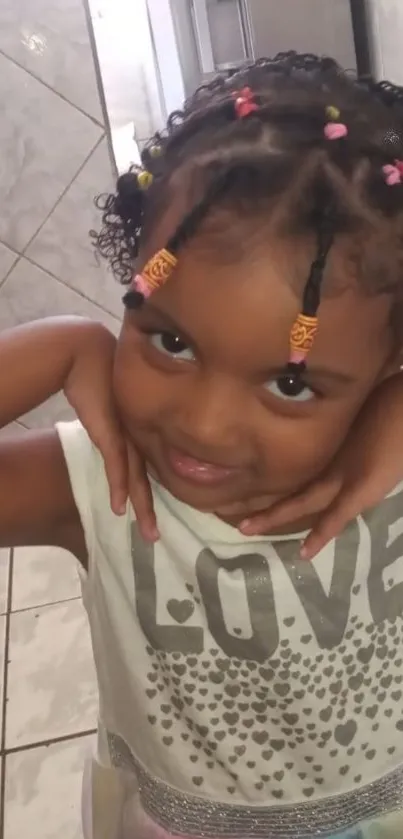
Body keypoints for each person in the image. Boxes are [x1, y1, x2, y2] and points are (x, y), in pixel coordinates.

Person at [3, 52, 403, 838]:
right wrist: (59, 347)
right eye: (170, 341)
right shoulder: (97, 486)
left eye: (289, 384)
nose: (204, 425)